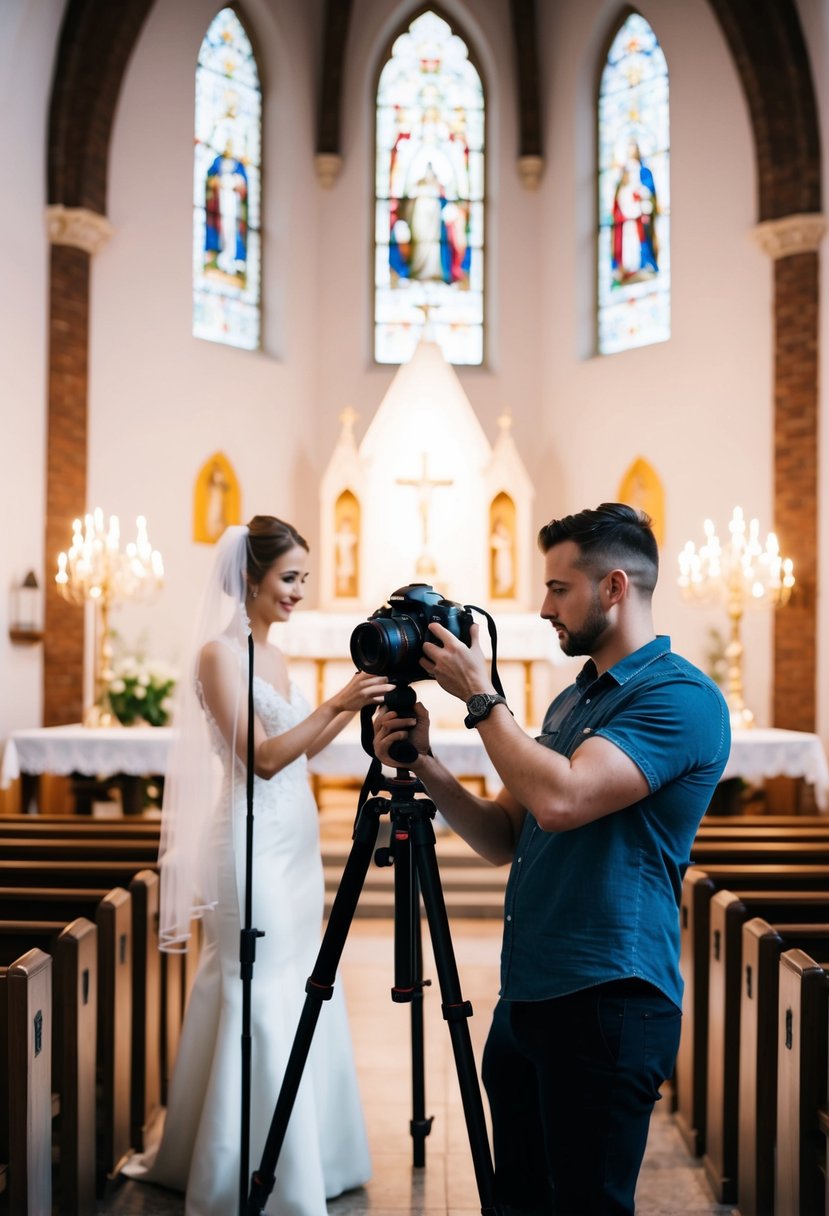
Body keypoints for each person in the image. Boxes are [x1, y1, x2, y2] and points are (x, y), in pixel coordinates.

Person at [373, 503, 730, 1216]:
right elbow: (507, 833)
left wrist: (480, 695)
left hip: (608, 998)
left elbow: (563, 800)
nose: (541, 607)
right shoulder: (573, 699)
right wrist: (427, 765)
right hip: (530, 995)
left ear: (614, 588)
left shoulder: (679, 698)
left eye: (558, 589)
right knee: (519, 1204)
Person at [123, 516, 392, 1215]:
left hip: (294, 844)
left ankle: (312, 1156)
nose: (299, 591)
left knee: (297, 984)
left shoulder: (276, 656)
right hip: (247, 845)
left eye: (304, 577)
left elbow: (298, 749)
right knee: (256, 986)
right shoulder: (220, 655)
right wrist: (335, 700)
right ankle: (240, 1170)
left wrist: (358, 698)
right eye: (289, 578)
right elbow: (263, 759)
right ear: (249, 577)